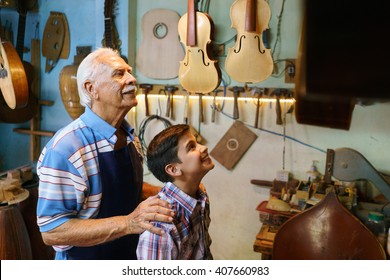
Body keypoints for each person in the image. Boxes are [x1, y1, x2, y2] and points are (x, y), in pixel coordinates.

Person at [36, 48, 175, 260]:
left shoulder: (128, 135)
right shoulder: (65, 149)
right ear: (92, 89)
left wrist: (170, 193)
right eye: (119, 74)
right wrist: (129, 223)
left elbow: (123, 190)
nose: (132, 79)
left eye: (129, 71)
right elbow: (52, 231)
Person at [137, 124, 215, 260]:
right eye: (191, 147)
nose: (204, 148)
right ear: (173, 170)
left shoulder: (199, 196)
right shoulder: (161, 228)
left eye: (196, 143)